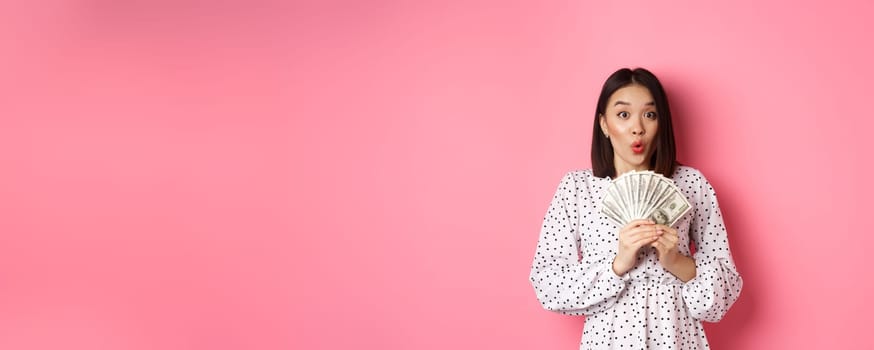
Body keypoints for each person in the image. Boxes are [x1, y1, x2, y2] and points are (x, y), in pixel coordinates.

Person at [528, 68, 743, 349]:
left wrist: (675, 261)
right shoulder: (577, 189)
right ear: (604, 124)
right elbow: (548, 284)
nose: (637, 127)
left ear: (661, 123)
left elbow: (724, 292)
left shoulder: (691, 184)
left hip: (676, 338)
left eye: (650, 115)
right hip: (608, 340)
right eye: (623, 114)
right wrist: (617, 265)